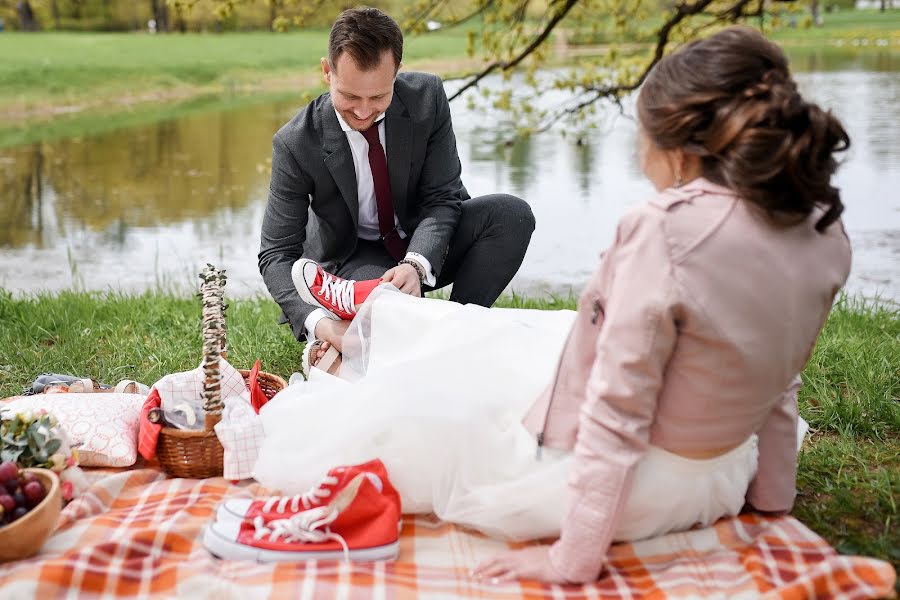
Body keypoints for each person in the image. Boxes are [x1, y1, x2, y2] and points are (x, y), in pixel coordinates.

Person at [252, 26, 852, 583]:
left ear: (678, 147)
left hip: (619, 483)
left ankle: (364, 340)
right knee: (504, 348)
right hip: (723, 474)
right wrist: (772, 501)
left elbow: (617, 417)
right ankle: (353, 322)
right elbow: (782, 379)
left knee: (425, 404)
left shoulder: (658, 232)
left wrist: (573, 557)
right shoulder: (825, 231)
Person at [258, 7, 536, 368]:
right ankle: (379, 327)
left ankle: (457, 332)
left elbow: (443, 197)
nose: (362, 111)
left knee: (510, 216)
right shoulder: (296, 143)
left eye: (377, 98)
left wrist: (416, 264)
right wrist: (321, 324)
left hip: (422, 240)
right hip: (354, 260)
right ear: (327, 72)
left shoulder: (428, 98)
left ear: (397, 73)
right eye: (350, 97)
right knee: (390, 313)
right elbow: (276, 253)